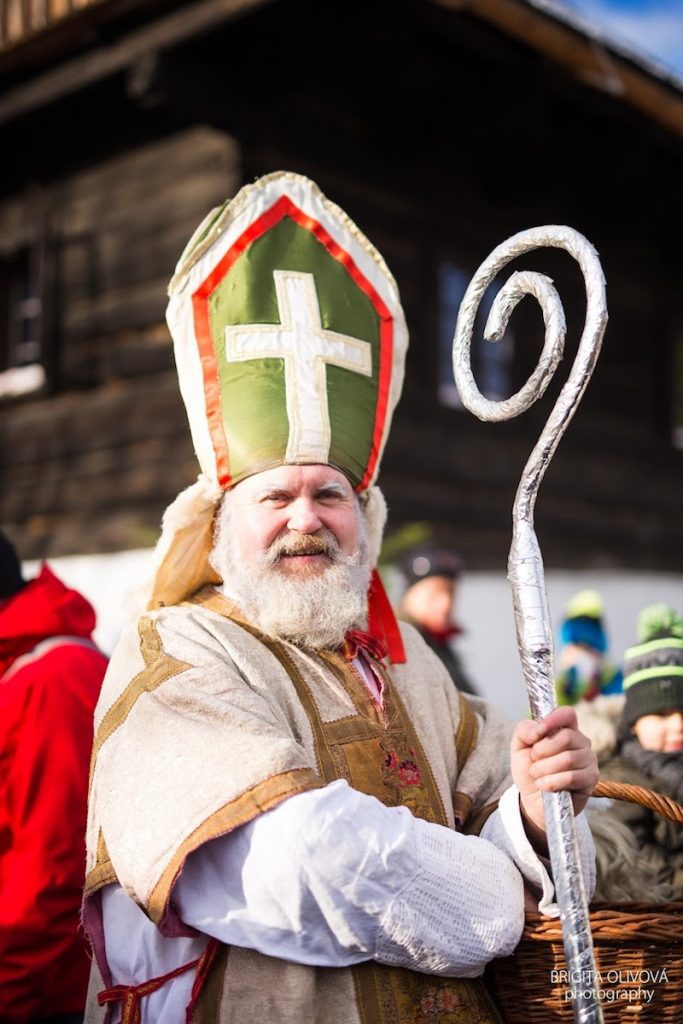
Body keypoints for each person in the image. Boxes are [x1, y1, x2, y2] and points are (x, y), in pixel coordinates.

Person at [82, 172, 597, 1024]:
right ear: (219, 523)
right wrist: (500, 894)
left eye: (330, 496)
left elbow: (494, 818)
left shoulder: (411, 669)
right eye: (273, 498)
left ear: (365, 518)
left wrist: (535, 816)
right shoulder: (176, 648)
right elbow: (301, 865)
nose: (305, 521)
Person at [0, 532, 108, 1023]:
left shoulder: (52, 679)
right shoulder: (27, 669)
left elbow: (54, 867)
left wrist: (10, 996)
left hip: (47, 992)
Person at [592, 603, 683, 897]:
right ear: (633, 723)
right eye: (661, 714)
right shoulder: (620, 780)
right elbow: (639, 863)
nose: (677, 725)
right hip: (656, 912)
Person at [397, 543, 477, 695]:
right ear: (410, 593)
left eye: (451, 593)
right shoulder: (396, 644)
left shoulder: (439, 644)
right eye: (435, 593)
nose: (445, 604)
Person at [555, 589, 622, 706]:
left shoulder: (616, 681)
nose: (582, 657)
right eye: (576, 646)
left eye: (588, 649)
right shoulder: (557, 687)